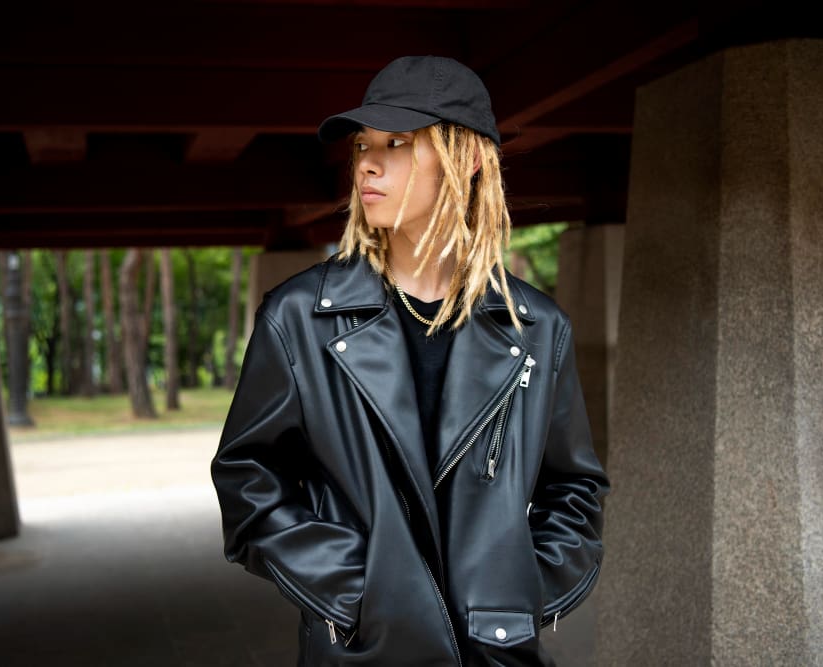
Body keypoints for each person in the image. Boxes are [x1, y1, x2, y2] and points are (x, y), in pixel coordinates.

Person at [211, 55, 609, 667]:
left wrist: (518, 596)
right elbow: (248, 479)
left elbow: (574, 489)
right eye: (365, 145)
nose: (367, 163)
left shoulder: (537, 328)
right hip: (364, 651)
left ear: (468, 158)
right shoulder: (298, 318)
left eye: (397, 143)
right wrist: (358, 592)